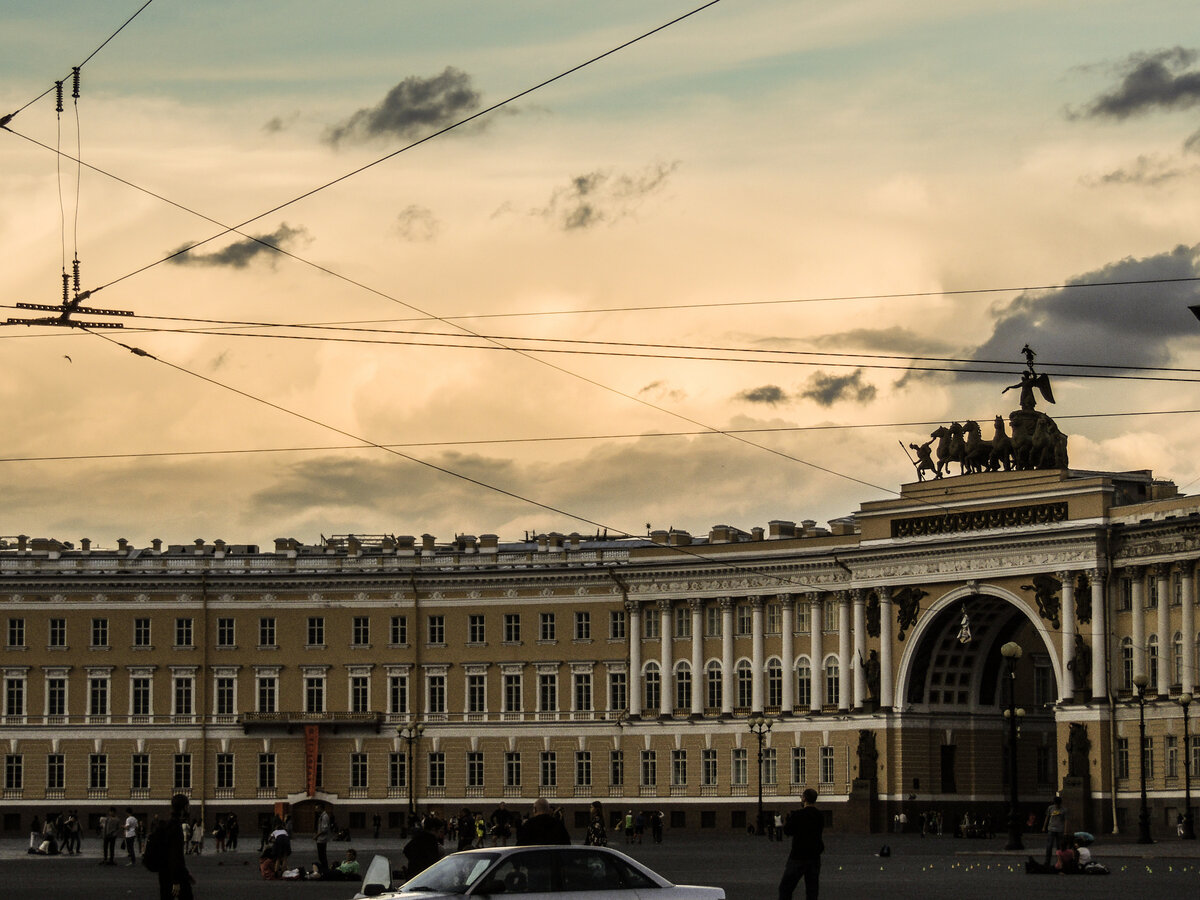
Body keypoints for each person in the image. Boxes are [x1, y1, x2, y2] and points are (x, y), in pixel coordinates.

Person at [778, 788, 824, 900]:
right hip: (814, 856)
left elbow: (788, 831)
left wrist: (787, 821)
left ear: (804, 799)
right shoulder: (820, 815)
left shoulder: (797, 815)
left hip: (798, 856)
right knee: (812, 891)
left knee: (785, 888)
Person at [159, 794, 195, 900]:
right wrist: (176, 881)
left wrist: (186, 873)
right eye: (187, 806)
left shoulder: (167, 824)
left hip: (164, 874)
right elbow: (175, 856)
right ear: (183, 808)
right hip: (175, 876)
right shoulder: (176, 827)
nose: (189, 809)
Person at [1042, 796, 1065, 867]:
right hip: (1051, 829)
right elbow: (1047, 817)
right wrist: (1044, 826)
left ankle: (1060, 862)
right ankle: (1047, 862)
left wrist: (1066, 830)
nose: (1057, 805)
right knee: (1049, 846)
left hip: (1059, 829)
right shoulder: (1050, 808)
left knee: (1059, 847)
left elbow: (1066, 820)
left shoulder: (1064, 810)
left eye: (1058, 804)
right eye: (1056, 804)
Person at [314, 803, 331, 873]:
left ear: (321, 808)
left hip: (322, 839)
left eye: (317, 808)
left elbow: (324, 829)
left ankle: (325, 869)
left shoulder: (324, 817)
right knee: (321, 855)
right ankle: (324, 868)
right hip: (321, 838)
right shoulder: (321, 816)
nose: (316, 810)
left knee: (322, 855)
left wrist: (317, 835)